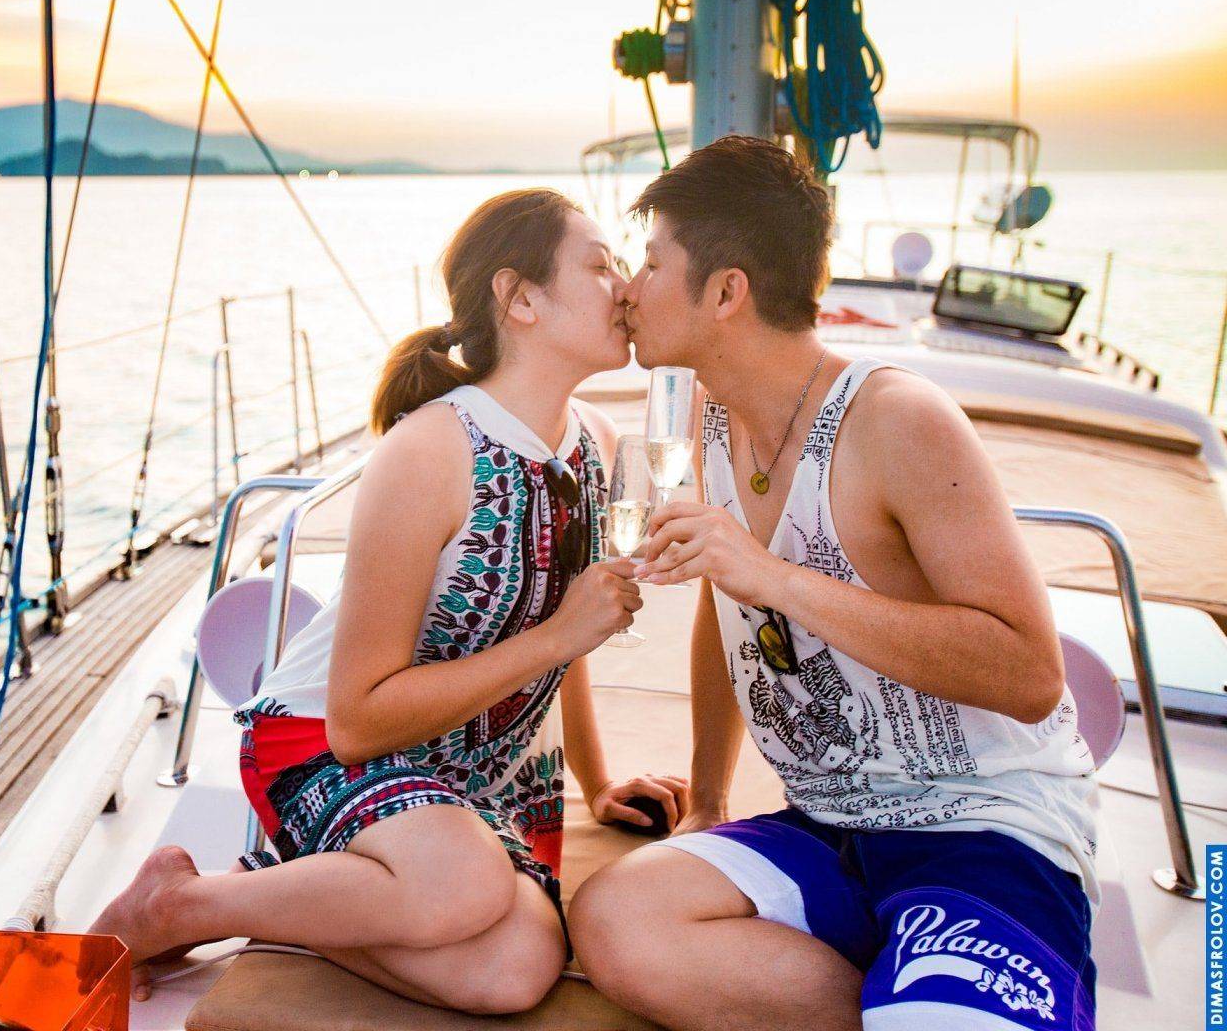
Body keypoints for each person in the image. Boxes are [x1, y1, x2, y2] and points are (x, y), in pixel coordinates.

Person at [90, 188, 689, 1012]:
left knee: (517, 969)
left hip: (467, 776)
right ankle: (181, 905)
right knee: (466, 883)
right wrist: (558, 637)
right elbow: (358, 720)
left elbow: (562, 627)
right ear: (519, 298)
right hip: (322, 746)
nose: (623, 287)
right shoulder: (430, 451)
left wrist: (598, 782)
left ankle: (296, 893)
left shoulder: (594, 441)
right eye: (599, 266)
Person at [568, 137, 1099, 1031]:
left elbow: (1029, 672)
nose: (628, 288)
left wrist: (775, 576)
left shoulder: (897, 420)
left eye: (651, 263)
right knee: (615, 921)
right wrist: (708, 799)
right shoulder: (705, 417)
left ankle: (935, 995)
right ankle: (913, 990)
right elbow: (726, 610)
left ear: (727, 292)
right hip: (827, 822)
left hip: (981, 825)